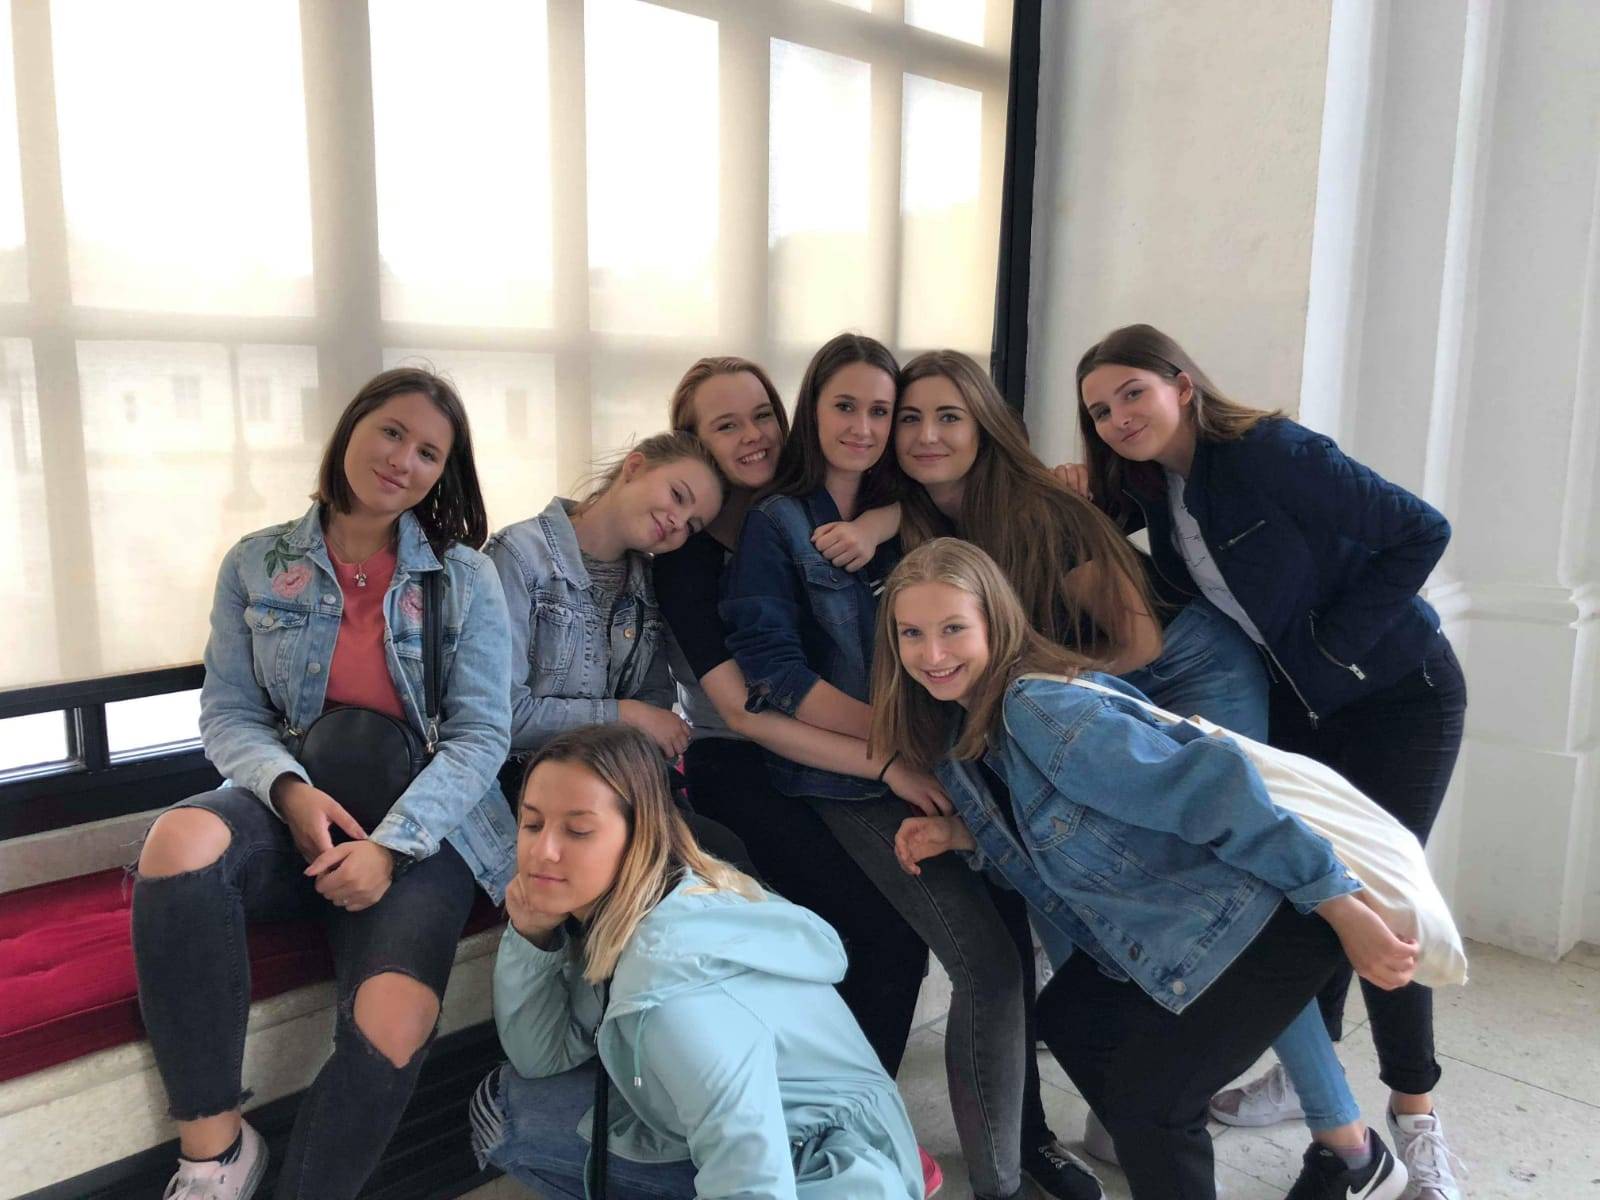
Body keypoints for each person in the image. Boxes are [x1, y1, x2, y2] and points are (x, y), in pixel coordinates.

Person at [875, 537, 1417, 1200]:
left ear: (995, 622)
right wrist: (962, 834)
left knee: (1151, 1105)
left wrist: (1341, 906)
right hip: (1188, 925)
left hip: (1266, 919)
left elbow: (1215, 790)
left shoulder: (1037, 710)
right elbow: (1050, 831)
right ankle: (1257, 1160)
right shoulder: (962, 736)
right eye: (912, 633)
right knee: (1075, 1020)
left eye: (953, 629)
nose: (932, 654)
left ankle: (1299, 1159)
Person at [1074, 324, 1469, 1199]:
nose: (1117, 418)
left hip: (1400, 696)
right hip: (1307, 709)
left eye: (1133, 392)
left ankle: (1417, 1119)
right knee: (1313, 889)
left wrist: (1331, 651)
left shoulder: (1269, 452)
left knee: (1383, 895)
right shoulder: (1162, 489)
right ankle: (1304, 1078)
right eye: (1099, 411)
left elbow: (1421, 530)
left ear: (1182, 384)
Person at [721, 333, 1102, 1200]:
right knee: (984, 962)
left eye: (879, 411)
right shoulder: (779, 525)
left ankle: (1025, 1142)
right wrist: (898, 743)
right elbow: (775, 678)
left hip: (958, 771)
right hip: (854, 780)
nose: (864, 427)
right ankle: (990, 1174)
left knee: (1010, 950)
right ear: (812, 411)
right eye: (844, 406)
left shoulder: (909, 515)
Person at [132, 367, 514, 1200]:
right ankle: (215, 1158)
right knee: (179, 836)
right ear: (351, 429)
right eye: (391, 432)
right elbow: (229, 714)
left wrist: (391, 848)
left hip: (424, 824)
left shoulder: (465, 577)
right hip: (294, 805)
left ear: (442, 473)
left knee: (396, 1021)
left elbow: (483, 735)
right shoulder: (257, 562)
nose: (402, 460)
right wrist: (290, 792)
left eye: (428, 453)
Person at [469, 723, 922, 1200]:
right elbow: (541, 1057)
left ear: (639, 837)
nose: (543, 852)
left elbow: (752, 1184)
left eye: (578, 830)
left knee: (515, 1117)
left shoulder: (674, 989)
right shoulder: (631, 909)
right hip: (785, 1141)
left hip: (827, 1175)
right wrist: (533, 936)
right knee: (509, 1106)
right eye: (532, 823)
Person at [652, 356, 933, 1094]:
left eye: (762, 416)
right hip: (740, 759)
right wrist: (888, 756)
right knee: (877, 931)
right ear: (694, 444)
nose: (753, 436)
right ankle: (844, 1116)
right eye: (727, 426)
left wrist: (875, 522)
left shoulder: (809, 515)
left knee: (905, 925)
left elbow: (916, 502)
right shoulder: (686, 559)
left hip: (841, 744)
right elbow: (748, 713)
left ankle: (852, 1101)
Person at [485, 431, 723, 763]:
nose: (677, 522)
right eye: (677, 495)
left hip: (612, 780)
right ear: (635, 467)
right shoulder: (518, 555)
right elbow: (498, 715)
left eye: (691, 526)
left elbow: (654, 708)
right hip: (520, 781)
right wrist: (622, 715)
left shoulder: (650, 585)